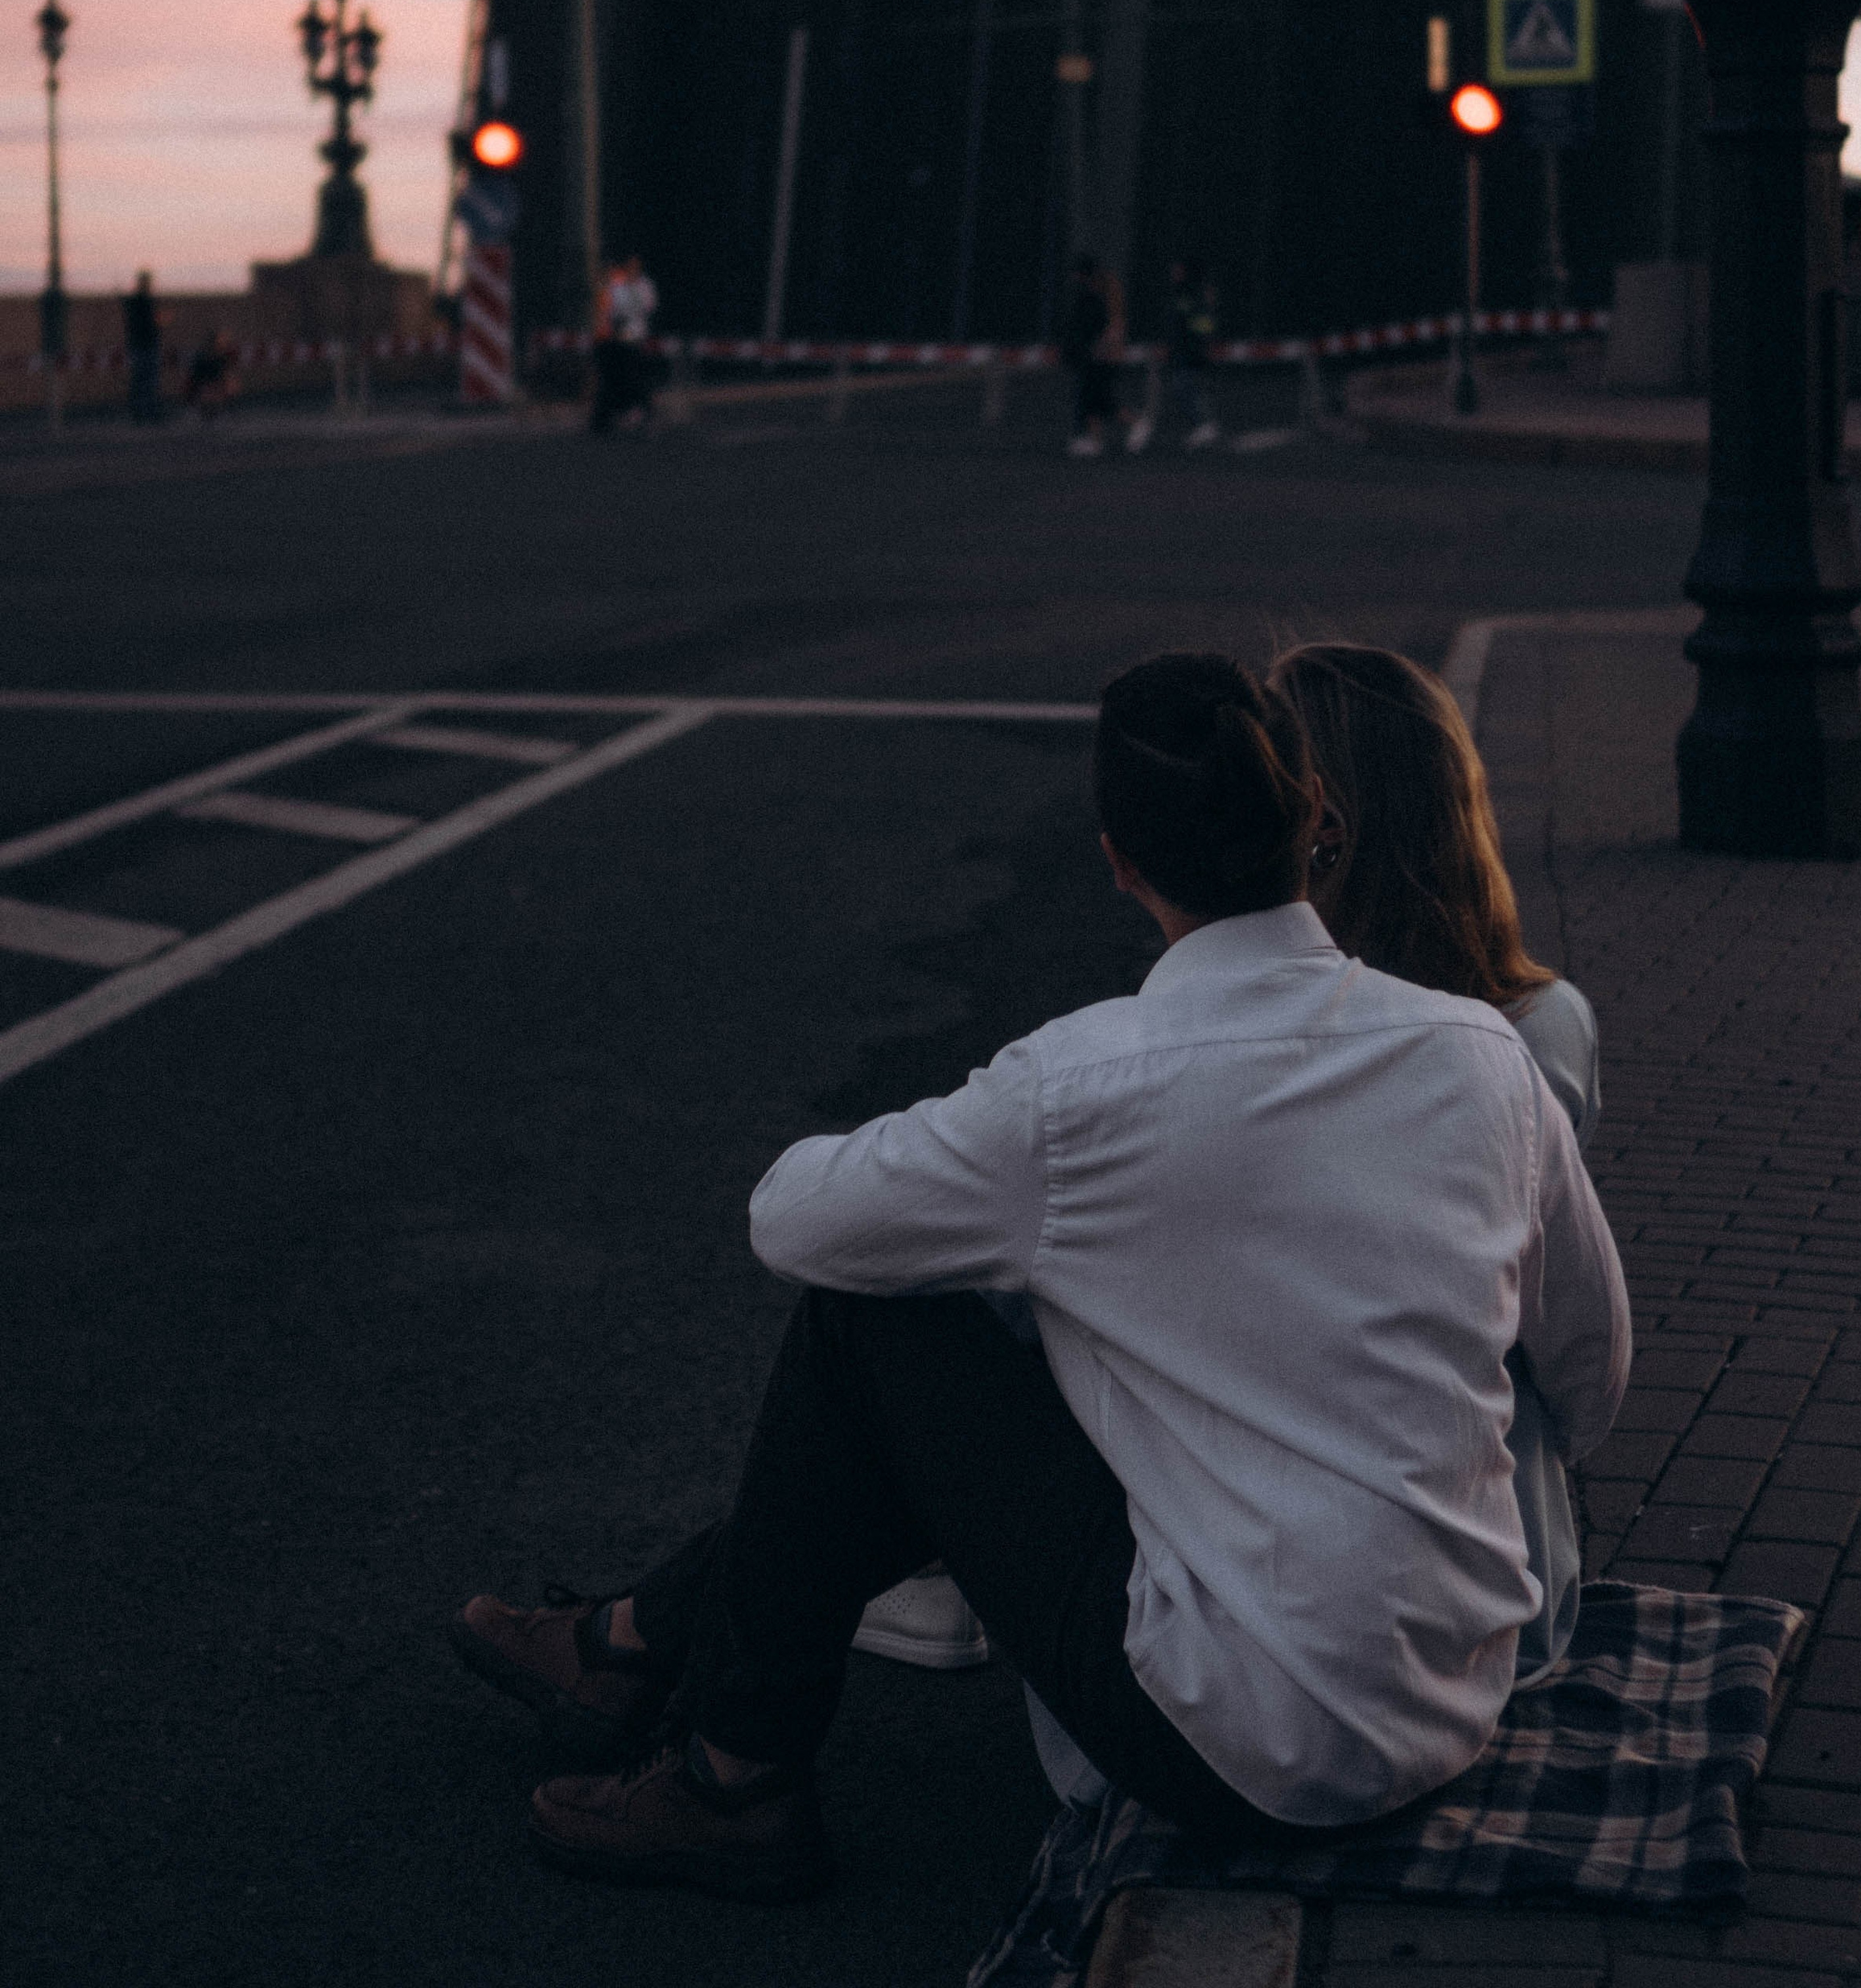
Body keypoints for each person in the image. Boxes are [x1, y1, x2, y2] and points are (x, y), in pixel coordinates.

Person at [450, 649, 1629, 1900]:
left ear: (1119, 861)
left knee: (875, 1325)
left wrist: (981, 1173)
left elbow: (790, 1221)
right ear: (1315, 822)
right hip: (1459, 1698)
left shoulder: (1083, 1086)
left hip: (1255, 1750)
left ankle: (729, 1769)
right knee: (1019, 1345)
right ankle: (639, 1658)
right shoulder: (1483, 1054)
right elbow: (1593, 1371)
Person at [1267, 640, 1600, 1678]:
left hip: (1285, 1600)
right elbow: (1581, 1357)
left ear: (1319, 825)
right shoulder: (1546, 1024)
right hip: (1511, 1580)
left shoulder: (1258, 1039)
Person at [1059, 253, 1126, 458]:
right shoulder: (1095, 296)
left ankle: (1134, 423)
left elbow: (1107, 329)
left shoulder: (1096, 298)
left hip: (1097, 356)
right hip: (1095, 355)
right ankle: (1093, 440)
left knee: (1096, 401)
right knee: (1092, 400)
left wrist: (1102, 350)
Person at [591, 256, 660, 434]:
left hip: (636, 339)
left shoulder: (644, 285)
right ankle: (608, 419)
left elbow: (648, 306)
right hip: (616, 341)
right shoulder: (618, 286)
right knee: (615, 379)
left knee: (636, 378)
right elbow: (612, 310)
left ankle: (640, 414)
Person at [1163, 259, 1220, 450]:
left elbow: (1203, 323)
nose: (1174, 274)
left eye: (1178, 271)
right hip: (1182, 351)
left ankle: (1204, 425)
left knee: (1184, 388)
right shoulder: (1178, 294)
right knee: (1187, 388)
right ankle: (1204, 425)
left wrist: (1201, 343)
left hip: (1192, 351)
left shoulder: (1194, 294)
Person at [122, 270, 163, 424]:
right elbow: (148, 323)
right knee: (145, 381)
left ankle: (141, 413)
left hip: (142, 345)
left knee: (143, 381)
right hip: (144, 346)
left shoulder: (136, 302)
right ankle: (143, 413)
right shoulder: (142, 302)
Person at [184, 327, 238, 420]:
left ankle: (215, 408)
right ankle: (204, 408)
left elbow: (224, 376)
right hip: (204, 387)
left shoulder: (220, 359)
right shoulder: (201, 359)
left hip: (213, 387)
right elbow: (194, 378)